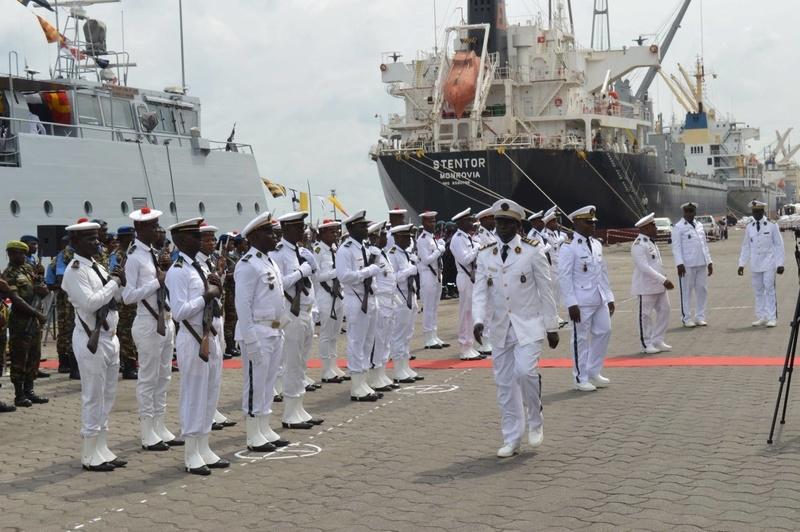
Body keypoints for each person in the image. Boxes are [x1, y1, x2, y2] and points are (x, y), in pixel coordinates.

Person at [472, 199, 559, 458]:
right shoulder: (485, 254)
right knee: (505, 385)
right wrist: (478, 320)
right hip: (500, 328)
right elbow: (479, 292)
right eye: (499, 222)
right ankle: (511, 438)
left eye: (508, 223)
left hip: (528, 325)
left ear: (518, 225)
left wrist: (552, 325)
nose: (502, 227)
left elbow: (546, 290)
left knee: (524, 373)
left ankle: (536, 419)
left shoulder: (533, 251)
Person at [61, 218, 127, 472]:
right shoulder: (75, 270)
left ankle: (102, 446)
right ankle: (89, 453)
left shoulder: (97, 267)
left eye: (97, 237)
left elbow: (117, 298)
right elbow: (90, 303)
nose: (96, 242)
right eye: (89, 238)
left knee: (108, 394)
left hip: (110, 338)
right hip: (92, 339)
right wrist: (113, 283)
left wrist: (119, 281)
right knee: (93, 395)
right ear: (75, 242)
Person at [165, 217, 229, 475]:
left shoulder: (198, 267)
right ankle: (192, 453)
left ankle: (204, 447)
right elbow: (179, 312)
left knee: (209, 395)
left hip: (210, 335)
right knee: (193, 395)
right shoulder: (178, 270)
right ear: (180, 240)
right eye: (193, 235)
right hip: (193, 337)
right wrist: (207, 296)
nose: (198, 239)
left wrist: (216, 290)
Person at [123, 207, 181, 451]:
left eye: (157, 225)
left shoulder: (154, 254)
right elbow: (127, 296)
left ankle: (160, 425)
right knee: (148, 378)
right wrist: (156, 281)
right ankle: (148, 432)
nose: (158, 230)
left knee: (164, 377)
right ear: (140, 229)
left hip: (165, 320)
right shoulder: (135, 257)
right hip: (147, 322)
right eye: (152, 226)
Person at [235, 212, 290, 452]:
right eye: (269, 232)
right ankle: (252, 434)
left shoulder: (269, 261)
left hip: (275, 331)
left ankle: (265, 427)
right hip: (257, 332)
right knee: (255, 384)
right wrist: (250, 340)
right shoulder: (247, 265)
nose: (274, 237)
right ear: (255, 235)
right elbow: (243, 306)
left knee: (268, 383)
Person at [271, 211, 323, 429]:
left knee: (301, 364)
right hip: (291, 314)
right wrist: (301, 271)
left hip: (307, 312)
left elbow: (315, 276)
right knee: (292, 364)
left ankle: (299, 407)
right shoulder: (279, 253)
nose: (303, 231)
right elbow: (279, 283)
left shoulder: (301, 252)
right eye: (298, 227)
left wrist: (310, 266)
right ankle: (290, 413)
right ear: (286, 229)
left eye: (303, 227)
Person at [559, 205, 615, 392]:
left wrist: (609, 297)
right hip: (581, 301)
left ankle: (593, 371)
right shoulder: (569, 247)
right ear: (575, 223)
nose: (592, 225)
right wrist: (571, 303)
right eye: (587, 222)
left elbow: (603, 273)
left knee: (604, 331)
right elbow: (564, 277)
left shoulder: (597, 244)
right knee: (580, 339)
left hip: (599, 298)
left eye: (593, 222)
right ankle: (579, 377)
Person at [336, 210, 386, 401]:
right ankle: (357, 386)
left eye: (366, 225)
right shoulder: (345, 249)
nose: (366, 228)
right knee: (356, 341)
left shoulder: (365, 248)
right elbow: (343, 276)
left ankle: (364, 381)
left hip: (370, 298)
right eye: (362, 225)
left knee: (368, 341)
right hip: (356, 298)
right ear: (350, 228)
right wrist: (367, 272)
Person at [197, 224, 237, 431]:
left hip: (217, 317)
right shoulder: (194, 264)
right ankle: (205, 413)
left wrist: (220, 273)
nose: (211, 243)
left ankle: (212, 409)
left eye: (213, 239)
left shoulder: (211, 261)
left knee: (216, 369)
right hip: (205, 320)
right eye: (207, 239)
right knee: (207, 370)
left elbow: (218, 288)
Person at [3, 240, 49, 407]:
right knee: (19, 357)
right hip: (20, 321)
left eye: (23, 253)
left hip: (34, 320)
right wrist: (37, 313)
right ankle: (19, 394)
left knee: (33, 356)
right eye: (18, 253)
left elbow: (40, 289)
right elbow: (16, 300)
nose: (22, 256)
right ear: (10, 254)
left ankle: (30, 390)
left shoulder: (28, 270)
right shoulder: (9, 274)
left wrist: (43, 290)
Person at [631, 213, 674, 354]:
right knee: (645, 315)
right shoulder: (638, 244)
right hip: (646, 287)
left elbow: (656, 264)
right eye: (653, 225)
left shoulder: (650, 242)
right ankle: (646, 343)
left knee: (665, 310)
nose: (655, 228)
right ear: (645, 228)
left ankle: (658, 339)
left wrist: (663, 280)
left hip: (659, 286)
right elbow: (644, 267)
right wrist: (664, 280)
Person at [738, 200, 785, 327]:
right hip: (755, 263)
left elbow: (779, 245)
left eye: (758, 211)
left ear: (763, 211)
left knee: (769, 289)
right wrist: (741, 264)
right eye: (754, 212)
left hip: (769, 262)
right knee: (758, 290)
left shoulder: (771, 225)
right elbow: (746, 246)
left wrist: (780, 263)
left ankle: (772, 317)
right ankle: (762, 316)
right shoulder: (749, 226)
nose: (756, 214)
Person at [386, 224, 423, 383]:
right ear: (397, 238)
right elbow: (392, 278)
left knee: (408, 334)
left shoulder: (405, 254)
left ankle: (405, 365)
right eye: (406, 237)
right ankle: (398, 370)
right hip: (400, 298)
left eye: (409, 236)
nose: (409, 239)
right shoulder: (392, 254)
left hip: (411, 296)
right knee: (398, 335)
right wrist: (410, 270)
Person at [313, 219, 348, 383]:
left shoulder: (335, 249)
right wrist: (336, 272)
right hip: (325, 296)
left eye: (336, 231)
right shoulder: (318, 251)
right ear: (322, 233)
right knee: (326, 334)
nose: (335, 234)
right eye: (331, 232)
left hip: (338, 295)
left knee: (335, 334)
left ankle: (333, 366)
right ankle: (326, 370)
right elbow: (316, 276)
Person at [366, 221, 399, 391]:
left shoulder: (383, 253)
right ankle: (374, 377)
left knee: (386, 339)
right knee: (378, 340)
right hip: (380, 299)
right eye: (383, 235)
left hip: (390, 300)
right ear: (375, 237)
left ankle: (382, 373)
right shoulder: (373, 254)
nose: (387, 237)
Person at [449, 208, 484, 360]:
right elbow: (464, 259)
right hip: (464, 277)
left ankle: (470, 345)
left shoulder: (468, 238)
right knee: (465, 313)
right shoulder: (457, 239)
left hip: (472, 277)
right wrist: (477, 248)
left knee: (471, 312)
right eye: (469, 220)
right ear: (461, 222)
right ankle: (464, 347)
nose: (472, 223)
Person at [670, 202, 712, 327]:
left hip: (701, 262)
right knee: (686, 291)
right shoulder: (678, 227)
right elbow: (676, 247)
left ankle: (700, 317)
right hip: (687, 264)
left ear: (695, 212)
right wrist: (679, 264)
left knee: (702, 290)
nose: (689, 213)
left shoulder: (699, 225)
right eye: (687, 211)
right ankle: (686, 318)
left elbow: (704, 245)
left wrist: (709, 261)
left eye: (691, 211)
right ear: (683, 212)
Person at [416, 211, 449, 349]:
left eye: (434, 221)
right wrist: (439, 250)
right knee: (428, 307)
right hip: (427, 275)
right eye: (430, 221)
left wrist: (438, 247)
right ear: (423, 223)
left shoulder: (432, 238)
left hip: (436, 274)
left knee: (435, 307)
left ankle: (434, 335)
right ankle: (428, 338)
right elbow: (426, 260)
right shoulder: (422, 239)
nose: (433, 224)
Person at [110, 226, 139, 379]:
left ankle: (130, 363)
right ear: (122, 239)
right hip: (121, 299)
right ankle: (129, 367)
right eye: (130, 237)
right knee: (126, 333)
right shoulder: (117, 256)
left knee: (131, 332)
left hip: (132, 298)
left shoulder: (131, 254)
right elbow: (114, 276)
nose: (133, 239)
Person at [543, 207, 568, 325]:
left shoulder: (553, 234)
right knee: (552, 294)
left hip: (557, 268)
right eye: (554, 222)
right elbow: (555, 244)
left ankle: (556, 315)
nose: (556, 224)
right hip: (550, 268)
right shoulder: (546, 235)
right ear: (548, 223)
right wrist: (562, 237)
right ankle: (553, 317)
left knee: (557, 293)